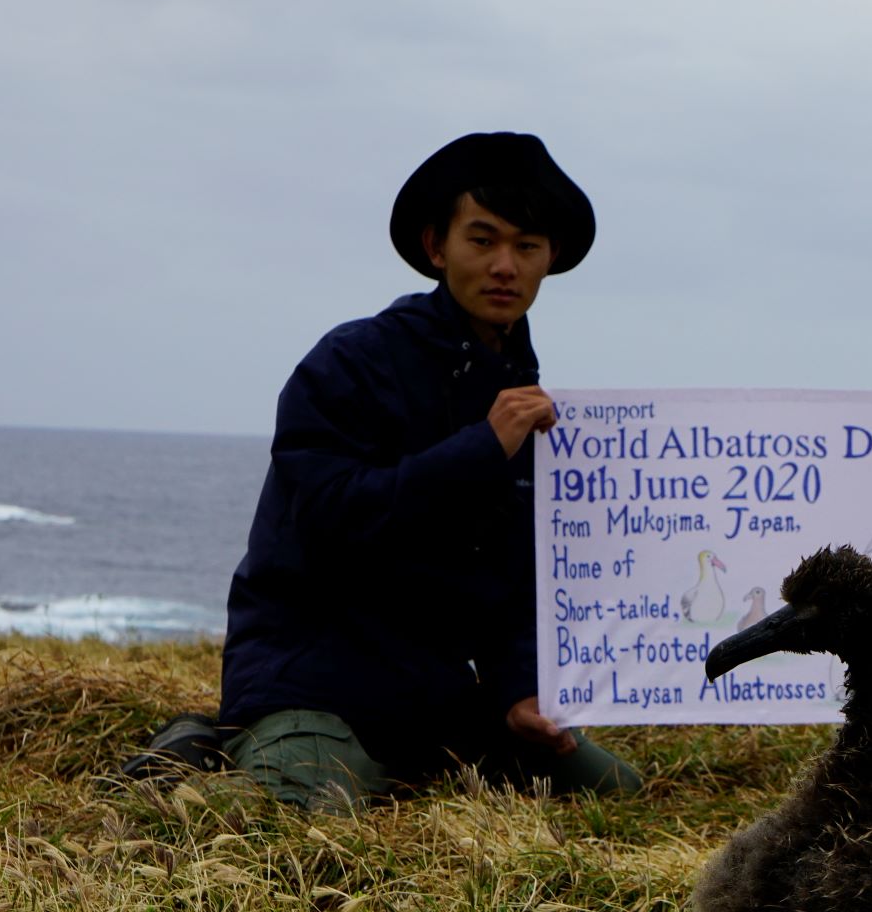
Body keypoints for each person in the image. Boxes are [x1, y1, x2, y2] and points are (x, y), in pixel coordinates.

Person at [210, 131, 641, 807]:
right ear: (436, 248)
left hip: (433, 696)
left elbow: (519, 574)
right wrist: (480, 448)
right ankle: (219, 745)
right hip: (309, 683)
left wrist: (518, 690)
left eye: (527, 246)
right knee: (317, 821)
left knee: (612, 790)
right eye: (483, 240)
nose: (505, 265)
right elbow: (331, 522)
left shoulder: (526, 400)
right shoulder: (348, 363)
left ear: (549, 259)